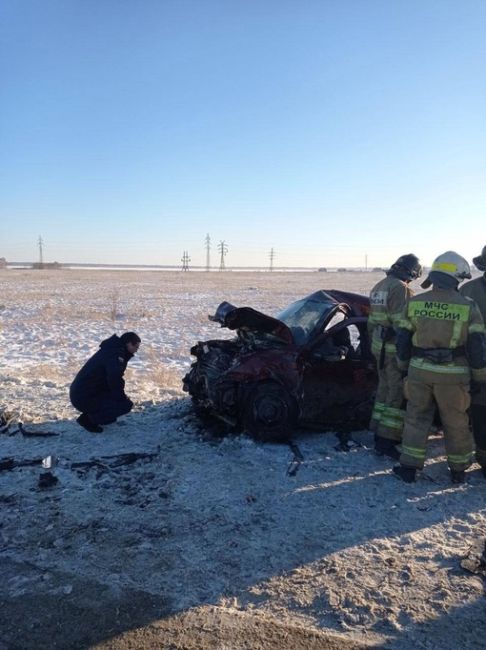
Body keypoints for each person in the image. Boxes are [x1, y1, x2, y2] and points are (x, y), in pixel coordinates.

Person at [393, 251, 486, 483]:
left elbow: (402, 340)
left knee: (416, 418)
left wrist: (403, 366)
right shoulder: (468, 305)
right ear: (456, 278)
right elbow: (477, 347)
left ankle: (408, 468)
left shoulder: (415, 303)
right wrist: (479, 377)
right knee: (456, 421)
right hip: (453, 376)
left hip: (419, 371)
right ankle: (458, 470)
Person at [368, 254, 422, 458]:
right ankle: (387, 439)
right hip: (392, 350)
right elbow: (403, 327)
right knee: (397, 393)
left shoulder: (379, 286)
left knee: (383, 390)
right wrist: (406, 356)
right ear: (412, 273)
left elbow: (371, 322)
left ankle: (377, 430)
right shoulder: (401, 288)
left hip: (378, 346)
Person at [70, 332, 141, 433]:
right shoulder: (115, 354)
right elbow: (114, 379)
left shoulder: (113, 350)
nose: (137, 350)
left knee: (116, 403)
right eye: (136, 346)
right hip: (83, 396)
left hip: (83, 393)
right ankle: (88, 420)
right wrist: (121, 397)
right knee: (125, 405)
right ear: (128, 344)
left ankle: (93, 415)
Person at [460, 245, 486, 476]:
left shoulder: (468, 290)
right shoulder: (467, 290)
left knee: (479, 410)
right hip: (477, 362)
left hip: (475, 363)